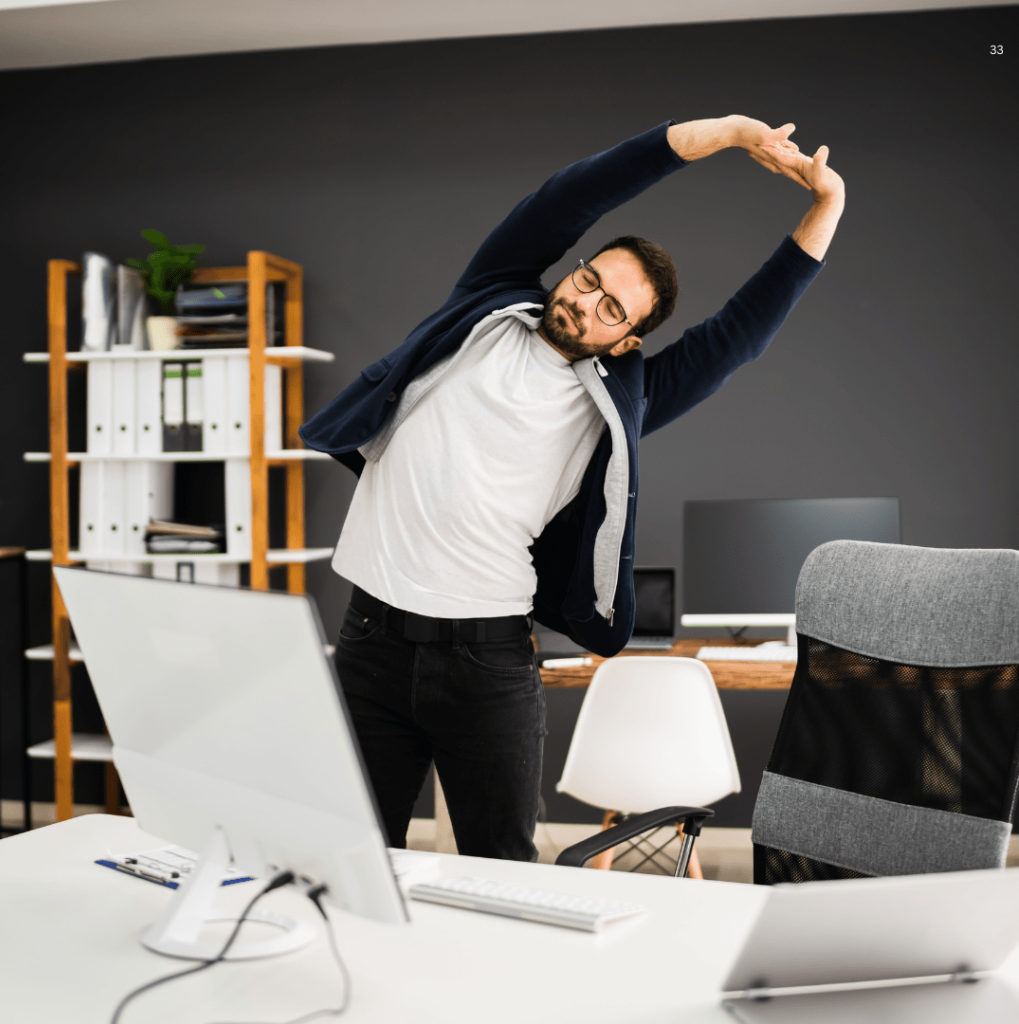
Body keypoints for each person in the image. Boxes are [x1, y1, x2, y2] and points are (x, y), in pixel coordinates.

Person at [300, 115, 845, 861]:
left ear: (626, 341)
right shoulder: (487, 305)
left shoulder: (617, 404)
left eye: (611, 309)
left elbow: (737, 337)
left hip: (484, 662)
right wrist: (718, 134)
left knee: (504, 875)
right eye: (590, 279)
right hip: (369, 640)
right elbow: (570, 196)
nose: (585, 303)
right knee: (353, 862)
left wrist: (827, 206)